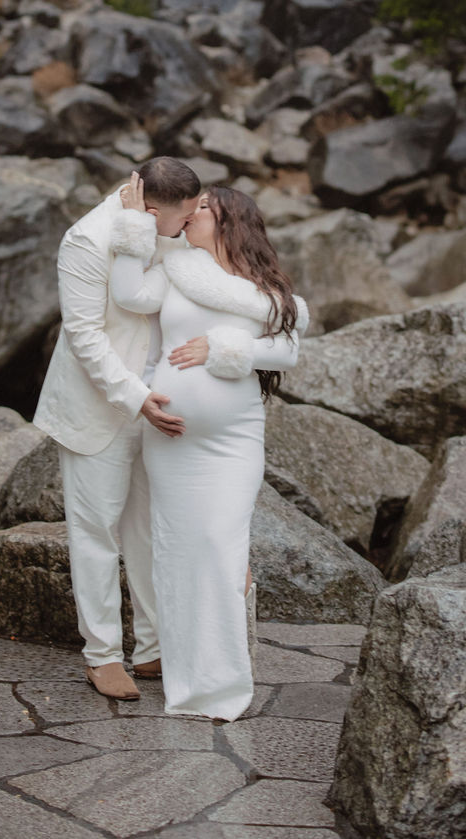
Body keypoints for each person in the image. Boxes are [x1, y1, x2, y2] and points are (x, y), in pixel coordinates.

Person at [109, 179, 307, 721]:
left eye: (202, 207)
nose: (192, 212)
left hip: (232, 441)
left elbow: (288, 349)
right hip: (170, 442)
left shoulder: (262, 293)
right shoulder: (173, 268)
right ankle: (188, 677)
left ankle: (221, 683)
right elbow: (127, 293)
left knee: (221, 547)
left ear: (229, 221)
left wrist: (227, 348)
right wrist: (132, 224)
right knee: (176, 555)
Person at [33, 155, 201, 702]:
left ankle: (152, 648)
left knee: (150, 531)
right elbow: (84, 336)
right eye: (181, 219)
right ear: (151, 210)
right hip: (101, 408)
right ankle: (102, 655)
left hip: (163, 405)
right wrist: (136, 398)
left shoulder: (161, 227)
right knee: (97, 535)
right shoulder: (85, 240)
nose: (188, 226)